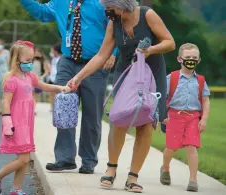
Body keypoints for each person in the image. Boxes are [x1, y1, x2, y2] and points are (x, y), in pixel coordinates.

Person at [67, 0, 175, 192]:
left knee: (145, 125)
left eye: (110, 9)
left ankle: (133, 176)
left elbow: (170, 42)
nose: (108, 13)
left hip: (151, 74)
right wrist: (78, 77)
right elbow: (101, 56)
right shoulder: (113, 23)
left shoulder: (147, 15)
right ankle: (112, 167)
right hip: (126, 73)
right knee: (119, 120)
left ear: (123, 5)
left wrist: (150, 50)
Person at [20, 0, 117, 174]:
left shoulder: (101, 3)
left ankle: (88, 160)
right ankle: (65, 158)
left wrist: (113, 53)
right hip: (68, 61)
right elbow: (42, 13)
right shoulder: (61, 2)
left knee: (92, 114)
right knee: (64, 106)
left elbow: (117, 24)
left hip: (95, 62)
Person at [0, 40, 70, 195]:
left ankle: (16, 189)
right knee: (24, 158)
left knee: (25, 155)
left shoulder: (29, 76)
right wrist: (7, 122)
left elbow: (43, 86)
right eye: (27, 61)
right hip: (16, 122)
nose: (30, 63)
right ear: (17, 60)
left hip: (27, 122)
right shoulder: (11, 79)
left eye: (32, 60)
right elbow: (6, 102)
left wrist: (59, 87)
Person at [160, 43, 210, 192]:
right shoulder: (172, 78)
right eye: (188, 57)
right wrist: (163, 115)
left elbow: (206, 100)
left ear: (199, 60)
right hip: (174, 117)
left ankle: (193, 180)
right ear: (180, 59)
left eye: (194, 57)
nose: (191, 60)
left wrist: (204, 119)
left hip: (193, 117)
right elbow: (162, 98)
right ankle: (165, 168)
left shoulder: (200, 80)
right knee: (171, 147)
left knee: (191, 146)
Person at [48, 42, 62, 110]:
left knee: (57, 94)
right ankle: (52, 107)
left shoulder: (61, 59)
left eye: (53, 50)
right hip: (52, 77)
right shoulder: (54, 58)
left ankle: (57, 107)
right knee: (52, 94)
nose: (52, 52)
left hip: (57, 78)